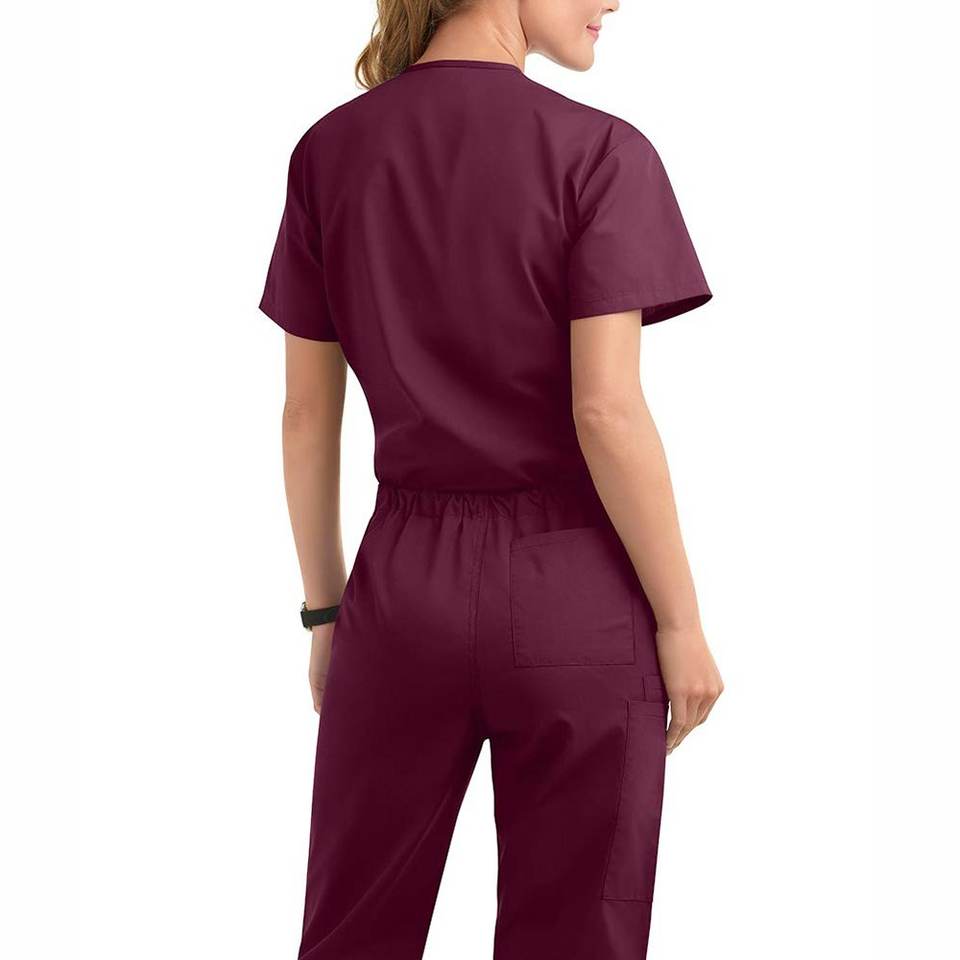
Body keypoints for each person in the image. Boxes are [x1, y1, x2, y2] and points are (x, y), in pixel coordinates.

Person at [258, 1, 724, 957]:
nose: (613, 0)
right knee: (576, 936)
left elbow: (306, 415)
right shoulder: (599, 153)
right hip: (573, 588)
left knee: (354, 934)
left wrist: (327, 612)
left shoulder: (329, 151)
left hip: (398, 591)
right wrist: (680, 623)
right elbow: (606, 412)